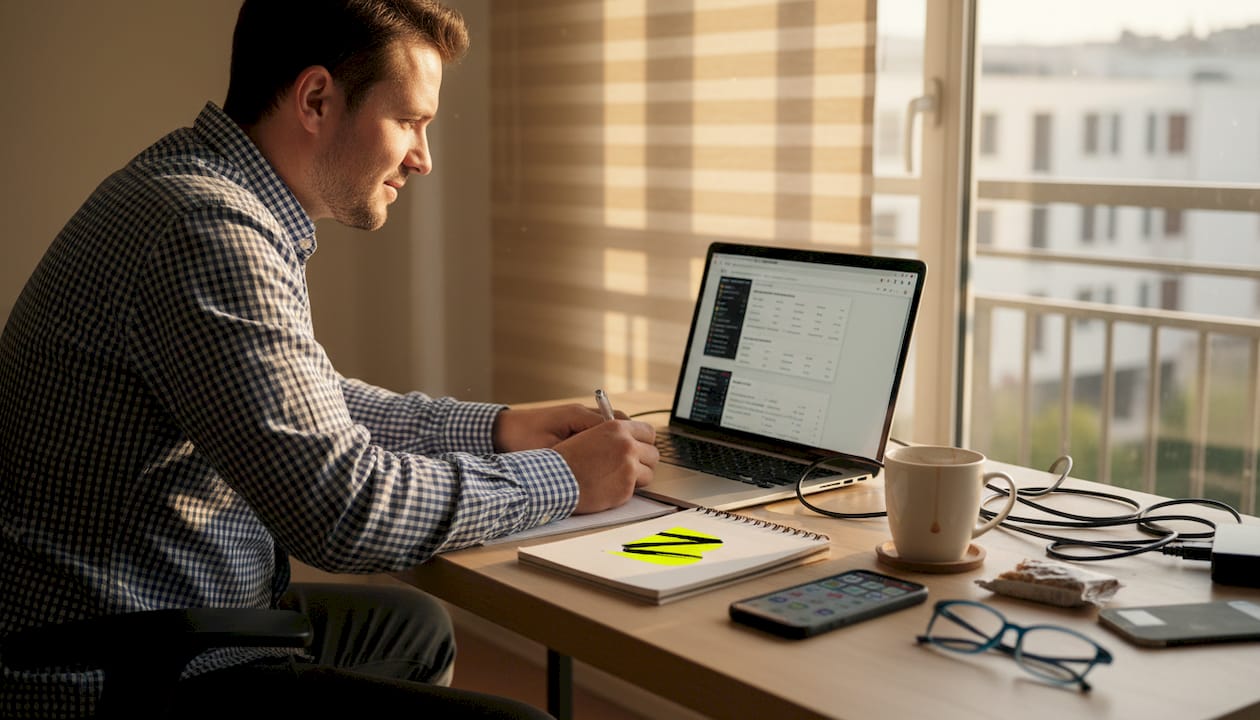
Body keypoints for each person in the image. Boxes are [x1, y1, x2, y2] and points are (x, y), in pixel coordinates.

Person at [0, 0, 658, 717]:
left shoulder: (198, 187)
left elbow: (307, 403)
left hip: (161, 613)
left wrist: (500, 428)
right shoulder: (208, 229)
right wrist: (562, 479)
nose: (424, 158)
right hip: (114, 668)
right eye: (409, 121)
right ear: (316, 99)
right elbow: (342, 512)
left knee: (413, 630)